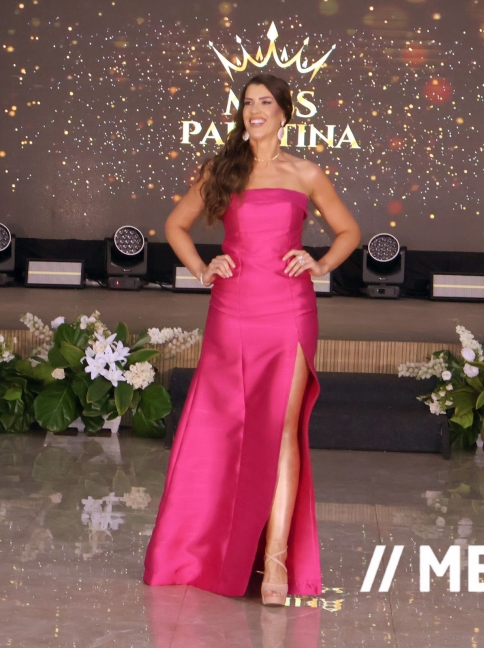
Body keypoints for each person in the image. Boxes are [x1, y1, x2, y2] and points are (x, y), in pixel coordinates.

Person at [142, 73, 361, 605]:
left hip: (289, 310)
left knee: (281, 430)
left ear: (285, 113)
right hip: (231, 311)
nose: (254, 110)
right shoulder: (222, 170)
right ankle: (207, 550)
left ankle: (276, 561)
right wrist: (202, 267)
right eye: (247, 103)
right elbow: (174, 226)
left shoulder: (306, 173)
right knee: (223, 429)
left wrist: (321, 263)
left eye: (265, 102)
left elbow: (349, 231)